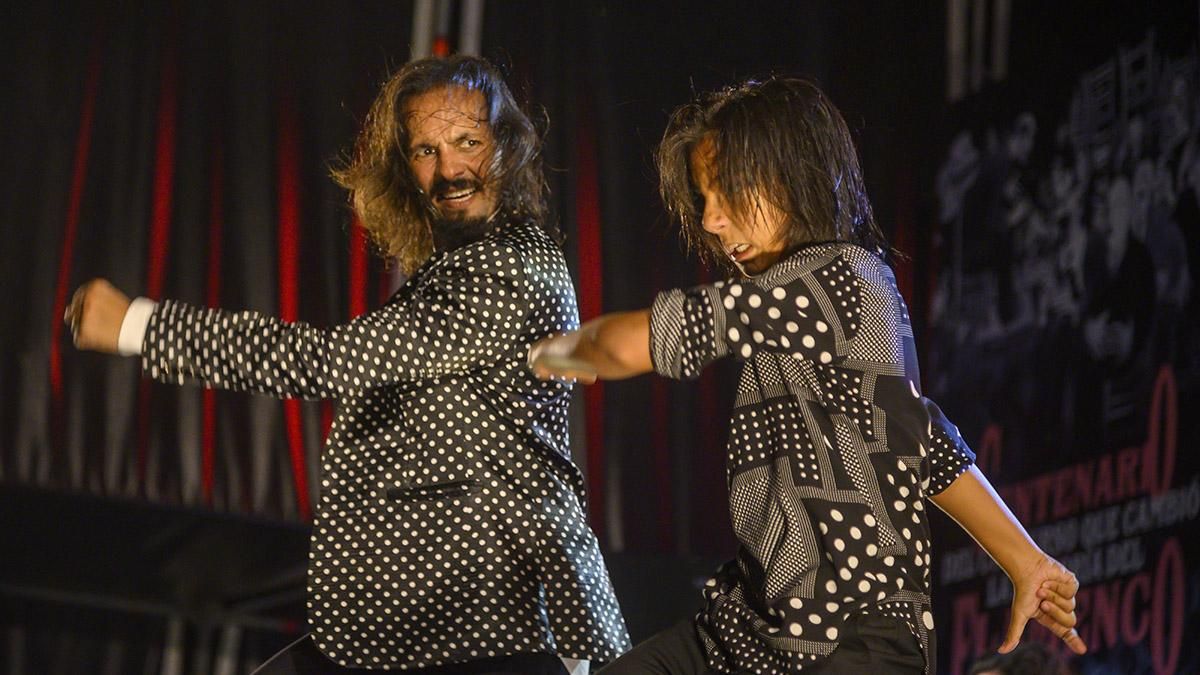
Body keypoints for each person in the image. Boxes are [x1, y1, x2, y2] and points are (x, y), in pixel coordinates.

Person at [65, 55, 630, 674]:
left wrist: (136, 326)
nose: (448, 169)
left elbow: (327, 361)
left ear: (509, 147)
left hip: (490, 623)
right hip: (414, 626)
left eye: (467, 142)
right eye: (424, 150)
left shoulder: (508, 268)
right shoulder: (451, 271)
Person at [530, 76, 1087, 673]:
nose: (713, 221)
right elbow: (927, 441)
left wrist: (544, 354)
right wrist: (1027, 561)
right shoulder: (841, 291)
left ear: (793, 173)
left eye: (730, 192)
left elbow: (629, 345)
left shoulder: (834, 280)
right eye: (705, 198)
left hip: (850, 639)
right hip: (747, 630)